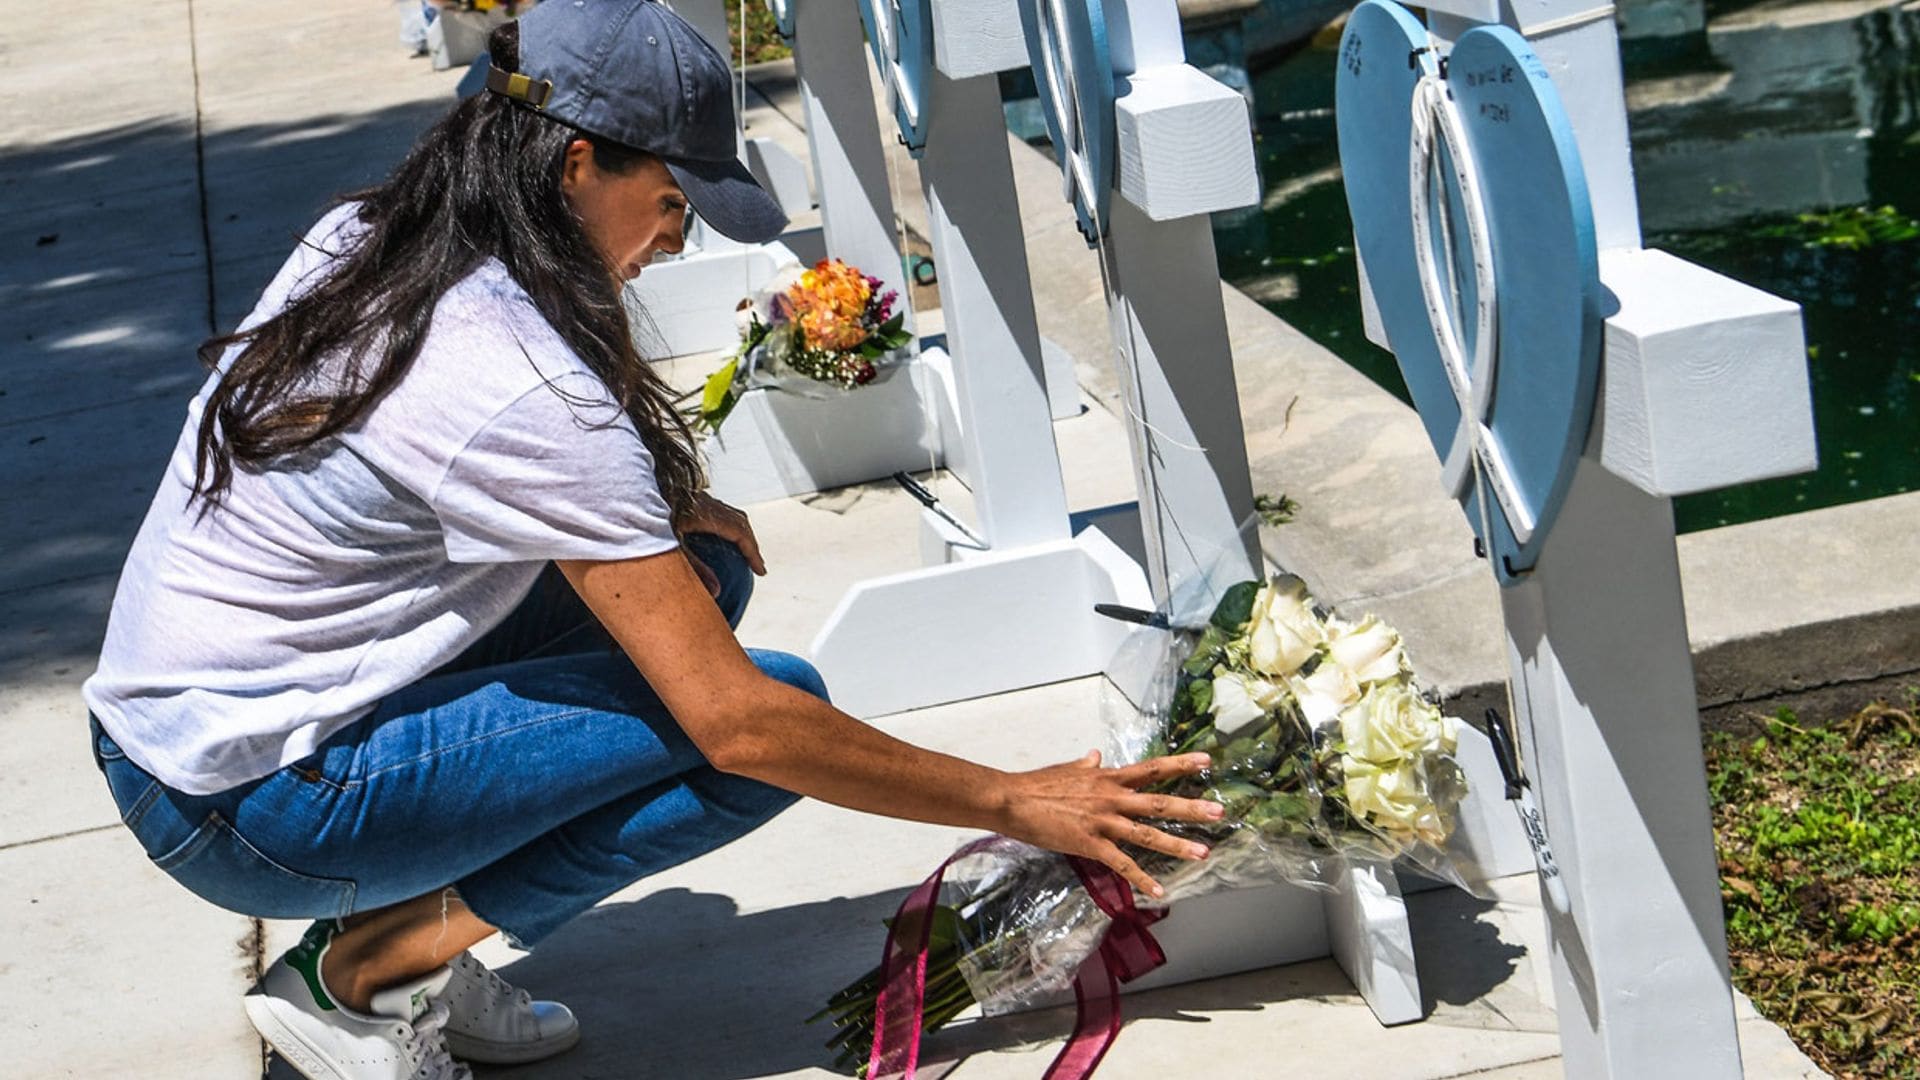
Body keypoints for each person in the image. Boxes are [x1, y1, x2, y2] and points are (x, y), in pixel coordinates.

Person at [81, 3, 1222, 1078]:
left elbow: (403, 467)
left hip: (175, 730)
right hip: (251, 806)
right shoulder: (515, 381)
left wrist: (659, 514)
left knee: (703, 573)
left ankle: (401, 920)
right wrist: (1014, 799)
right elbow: (741, 725)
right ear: (578, 160)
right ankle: (366, 969)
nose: (675, 241)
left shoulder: (380, 234)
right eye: (674, 199)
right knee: (760, 725)